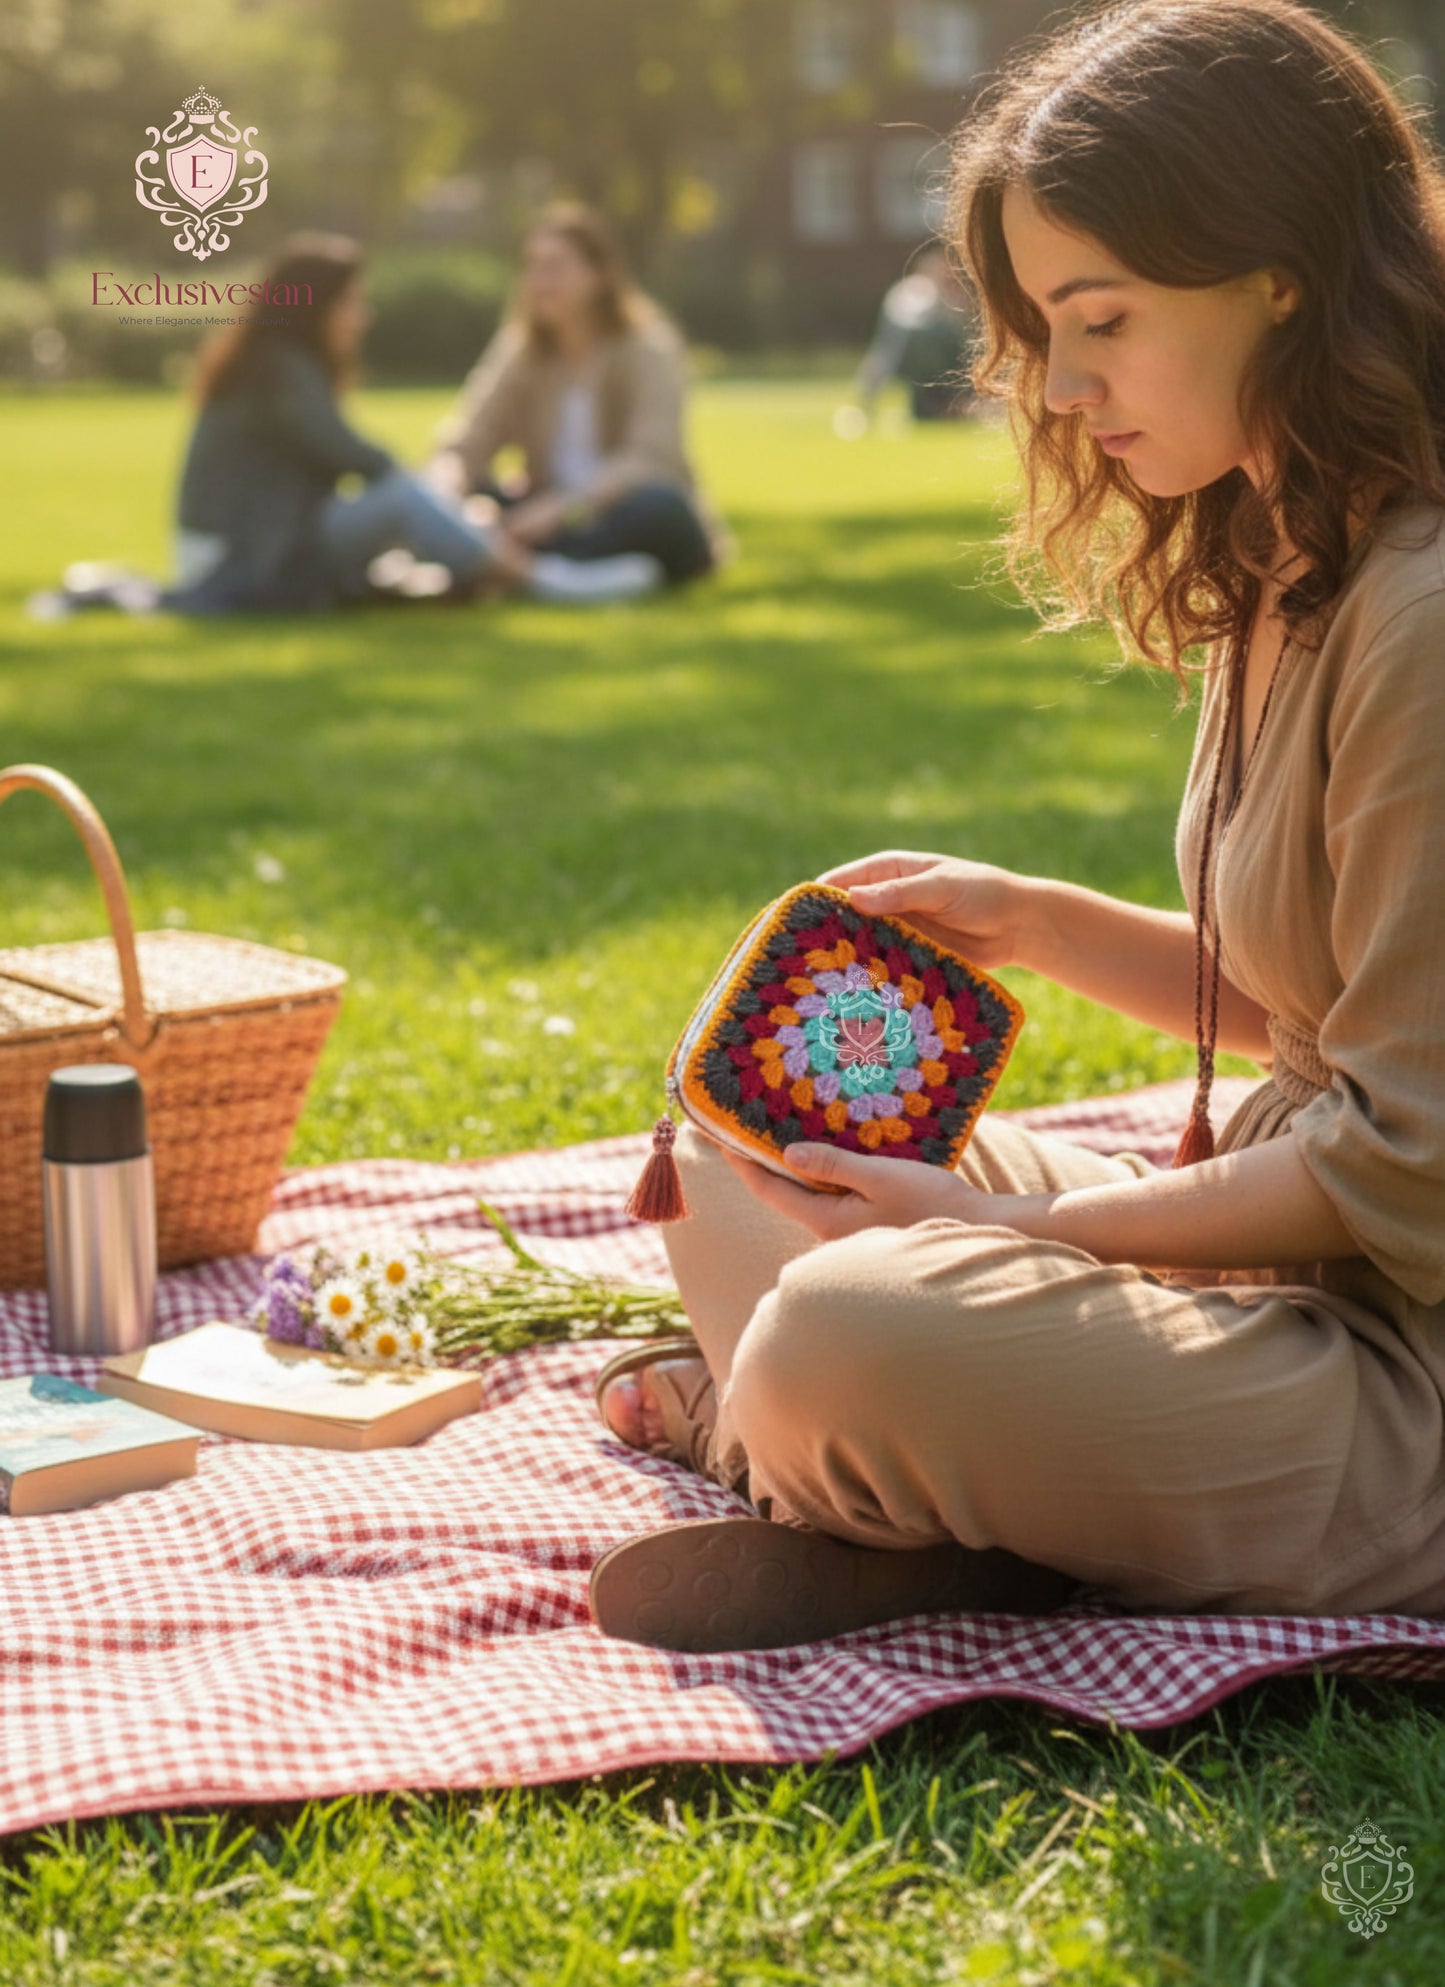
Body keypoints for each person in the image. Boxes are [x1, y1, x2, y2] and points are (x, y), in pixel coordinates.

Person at [587, 0, 1445, 1653]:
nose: (1060, 384)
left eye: (1101, 318)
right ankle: (916, 1483)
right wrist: (1042, 917)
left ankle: (820, 1450)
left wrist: (1028, 1233)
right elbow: (1342, 1007)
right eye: (1046, 325)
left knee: (849, 1326)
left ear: (1277, 270)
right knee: (743, 1144)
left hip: (1402, 1372)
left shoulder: (1419, 609)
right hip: (1278, 1261)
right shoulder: (1287, 551)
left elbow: (1407, 1145)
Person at [164, 232, 660, 614]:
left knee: (406, 508)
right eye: (352, 303)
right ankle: (544, 580)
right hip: (241, 559)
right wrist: (442, 504)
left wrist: (443, 510)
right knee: (401, 499)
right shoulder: (281, 370)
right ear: (317, 308)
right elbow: (357, 457)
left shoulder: (273, 365)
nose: (363, 317)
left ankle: (482, 566)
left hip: (250, 544)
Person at [425, 203, 725, 594]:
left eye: (555, 268)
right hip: (544, 515)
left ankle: (508, 565)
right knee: (477, 500)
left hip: (614, 511)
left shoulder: (647, 350)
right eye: (532, 267)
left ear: (601, 276)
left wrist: (563, 510)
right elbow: (466, 443)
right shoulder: (522, 354)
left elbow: (650, 458)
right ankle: (561, 573)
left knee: (660, 508)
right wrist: (441, 500)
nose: (539, 281)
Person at [851, 240, 980, 425]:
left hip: (919, 356)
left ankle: (949, 409)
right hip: (916, 353)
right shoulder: (920, 290)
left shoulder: (920, 291)